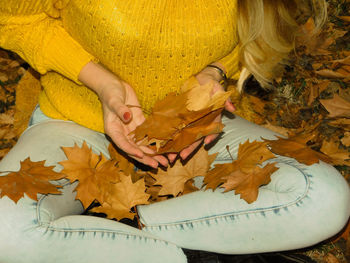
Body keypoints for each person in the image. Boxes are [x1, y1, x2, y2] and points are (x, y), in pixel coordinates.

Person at [0, 0, 349, 262]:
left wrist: (214, 74)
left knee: (323, 200)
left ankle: (121, 238)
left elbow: (263, 30)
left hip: (198, 134)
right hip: (74, 122)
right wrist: (102, 83)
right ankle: (202, 247)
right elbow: (15, 20)